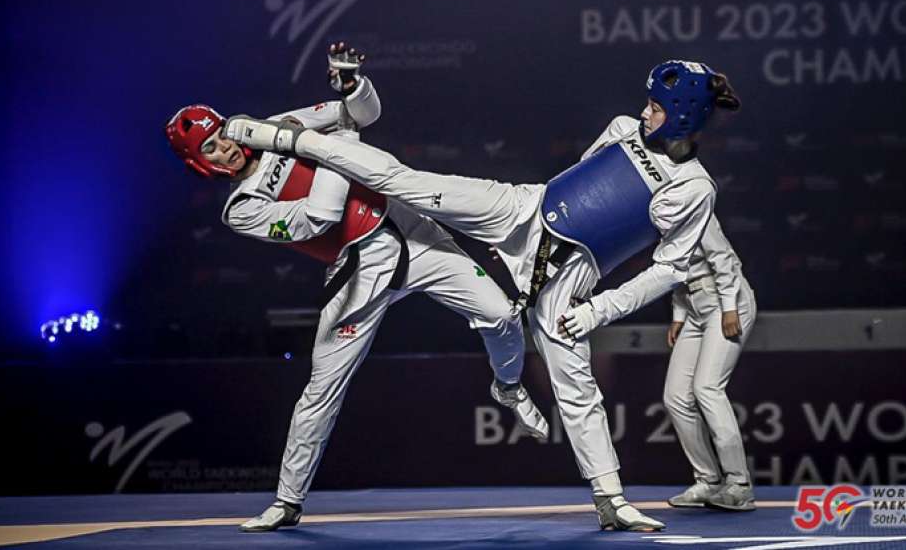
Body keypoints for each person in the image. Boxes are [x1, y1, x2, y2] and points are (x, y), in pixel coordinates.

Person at [225, 58, 742, 532]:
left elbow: (670, 269)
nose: (643, 111)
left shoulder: (695, 190)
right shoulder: (623, 129)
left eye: (655, 106)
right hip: (520, 209)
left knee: (576, 387)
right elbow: (579, 181)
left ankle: (611, 498)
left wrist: (598, 310)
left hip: (570, 281)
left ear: (682, 116)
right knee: (402, 179)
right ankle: (283, 139)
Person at [164, 44, 548, 533]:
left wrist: (351, 88)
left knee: (502, 315)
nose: (227, 146)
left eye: (222, 134)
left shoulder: (271, 126)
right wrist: (334, 146)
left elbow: (361, 114)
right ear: (201, 164)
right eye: (212, 148)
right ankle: (287, 499)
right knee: (322, 388)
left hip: (411, 231)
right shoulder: (241, 207)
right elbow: (318, 219)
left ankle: (508, 387)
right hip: (356, 270)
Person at [664, 215, 758, 511]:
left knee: (707, 388)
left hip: (724, 300)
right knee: (675, 397)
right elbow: (674, 267)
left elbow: (722, 257)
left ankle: (739, 484)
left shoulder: (693, 199)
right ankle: (709, 481)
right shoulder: (652, 214)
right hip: (694, 307)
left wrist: (730, 307)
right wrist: (679, 315)